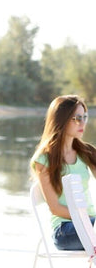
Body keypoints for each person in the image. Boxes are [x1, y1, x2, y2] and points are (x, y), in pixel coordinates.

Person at [30, 95, 96, 250]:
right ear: (63, 120)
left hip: (91, 224)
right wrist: (87, 220)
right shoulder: (44, 159)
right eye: (77, 118)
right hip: (65, 230)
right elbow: (55, 208)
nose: (82, 123)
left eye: (84, 117)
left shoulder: (86, 153)